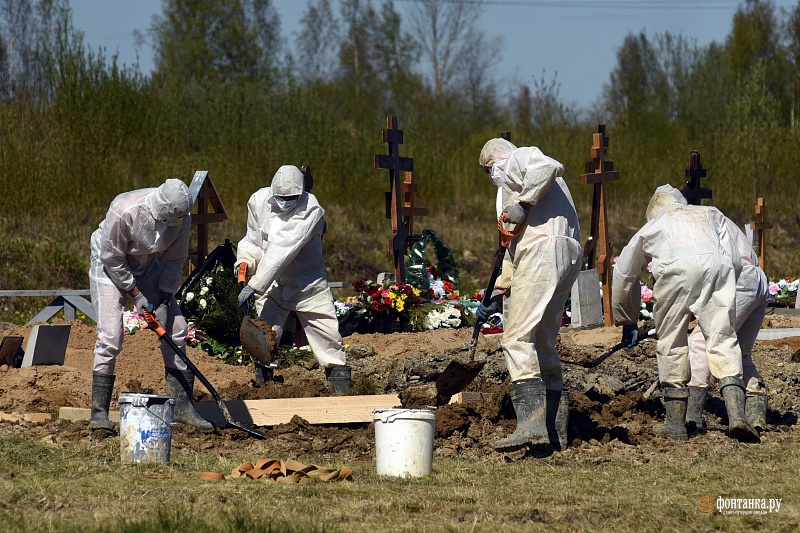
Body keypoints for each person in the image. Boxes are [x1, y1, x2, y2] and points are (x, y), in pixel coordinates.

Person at [611, 184, 759, 443]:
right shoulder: (710, 213)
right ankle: (737, 416)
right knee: (723, 337)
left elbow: (624, 273)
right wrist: (721, 288)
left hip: (675, 273)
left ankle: (675, 424)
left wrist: (627, 319)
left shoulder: (655, 225)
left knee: (672, 341)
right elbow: (734, 257)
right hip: (719, 268)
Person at [476, 138, 582, 452]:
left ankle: (532, 425)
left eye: (487, 171)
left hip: (543, 252)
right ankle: (555, 432)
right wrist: (495, 293)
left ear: (492, 161)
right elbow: (512, 249)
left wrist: (523, 204)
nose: (491, 177)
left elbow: (548, 165)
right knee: (541, 341)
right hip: (565, 254)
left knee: (515, 338)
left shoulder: (516, 160)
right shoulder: (524, 187)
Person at [88, 179, 212, 431]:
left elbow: (174, 259)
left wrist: (165, 299)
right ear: (161, 208)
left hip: (147, 266)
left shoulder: (181, 216)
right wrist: (136, 294)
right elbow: (112, 258)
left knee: (176, 328)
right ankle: (99, 412)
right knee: (111, 336)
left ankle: (183, 408)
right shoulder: (125, 210)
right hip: (110, 265)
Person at [236, 165, 350, 392]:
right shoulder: (258, 201)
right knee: (264, 337)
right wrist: (244, 262)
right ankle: (263, 386)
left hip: (309, 285)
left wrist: (255, 285)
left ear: (301, 193)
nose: (285, 202)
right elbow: (254, 239)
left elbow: (282, 249)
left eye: (291, 198)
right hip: (275, 287)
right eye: (281, 197)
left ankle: (340, 385)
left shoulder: (311, 209)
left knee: (328, 337)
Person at [686, 216, 769, 433]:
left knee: (701, 339)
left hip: (738, 281)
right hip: (757, 280)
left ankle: (693, 413)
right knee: (740, 351)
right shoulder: (712, 216)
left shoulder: (687, 228)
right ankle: (756, 412)